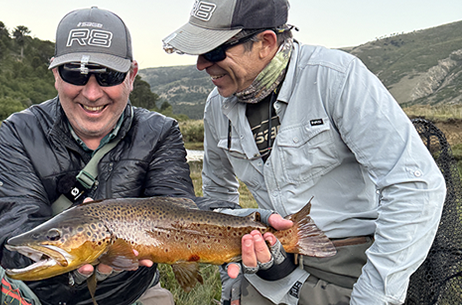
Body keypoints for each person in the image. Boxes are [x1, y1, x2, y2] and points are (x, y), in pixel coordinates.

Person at [162, 0, 447, 304]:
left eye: (214, 51)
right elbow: (219, 196)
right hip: (267, 268)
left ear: (265, 43)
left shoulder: (337, 76)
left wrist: (373, 296)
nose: (201, 64)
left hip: (351, 268)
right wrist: (231, 275)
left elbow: (415, 187)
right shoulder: (216, 106)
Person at [0, 6, 190, 305]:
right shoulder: (20, 131)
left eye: (108, 76)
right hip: (43, 295)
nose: (92, 94)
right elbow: (14, 246)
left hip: (131, 291)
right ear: (56, 74)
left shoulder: (160, 131)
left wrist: (253, 222)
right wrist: (77, 266)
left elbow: (182, 218)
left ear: (131, 75)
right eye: (76, 74)